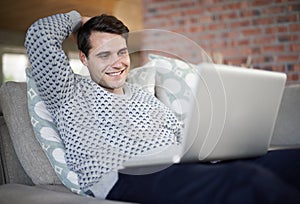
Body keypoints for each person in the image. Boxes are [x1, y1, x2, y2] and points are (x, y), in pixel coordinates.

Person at [25, 10, 300, 204]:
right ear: (84, 58)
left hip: (177, 164)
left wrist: (213, 150)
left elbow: (183, 137)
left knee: (291, 160)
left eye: (121, 52)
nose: (117, 62)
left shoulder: (142, 96)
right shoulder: (68, 91)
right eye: (104, 54)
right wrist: (80, 21)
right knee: (247, 181)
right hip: (122, 175)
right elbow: (39, 35)